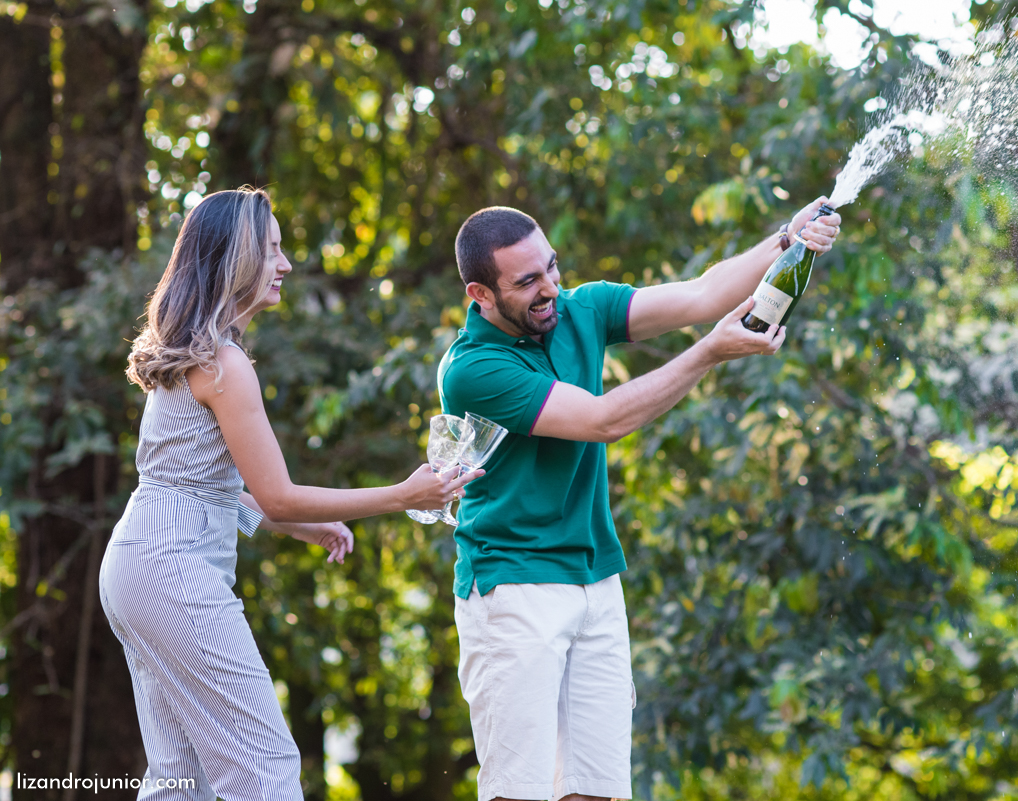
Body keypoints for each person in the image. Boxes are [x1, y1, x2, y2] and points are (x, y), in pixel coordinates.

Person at [438, 200, 841, 801]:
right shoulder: (474, 368)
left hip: (597, 580)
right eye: (528, 282)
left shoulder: (582, 308)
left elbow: (703, 296)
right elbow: (601, 420)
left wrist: (788, 238)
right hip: (514, 587)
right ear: (482, 294)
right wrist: (708, 352)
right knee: (518, 792)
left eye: (552, 267)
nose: (551, 288)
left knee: (596, 791)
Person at [99, 187, 482, 801]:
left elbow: (204, 489)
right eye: (273, 250)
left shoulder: (193, 355)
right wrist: (404, 494)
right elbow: (275, 495)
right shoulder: (223, 363)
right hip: (171, 571)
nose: (287, 265)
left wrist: (299, 525)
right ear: (238, 259)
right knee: (263, 765)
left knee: (180, 776)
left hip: (137, 565)